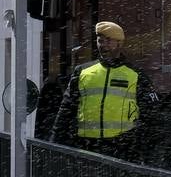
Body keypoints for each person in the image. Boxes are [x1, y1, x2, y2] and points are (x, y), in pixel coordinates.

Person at [50, 21, 158, 162]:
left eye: (108, 41)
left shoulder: (135, 75)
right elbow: (66, 108)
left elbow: (151, 114)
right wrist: (54, 141)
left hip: (122, 149)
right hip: (87, 148)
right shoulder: (83, 72)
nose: (103, 45)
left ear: (120, 44)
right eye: (100, 41)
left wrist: (142, 147)